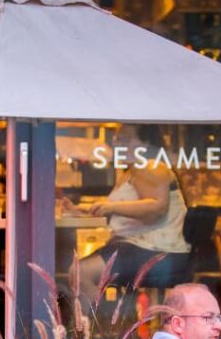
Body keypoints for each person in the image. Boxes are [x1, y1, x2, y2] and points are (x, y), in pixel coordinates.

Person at [66, 125, 191, 303]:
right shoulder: (133, 169)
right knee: (78, 271)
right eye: (117, 140)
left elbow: (157, 208)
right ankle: (101, 323)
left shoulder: (150, 167)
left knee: (81, 273)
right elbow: (122, 206)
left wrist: (111, 208)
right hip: (142, 245)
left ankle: (95, 325)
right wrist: (80, 209)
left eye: (126, 140)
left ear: (145, 143)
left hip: (155, 250)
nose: (118, 145)